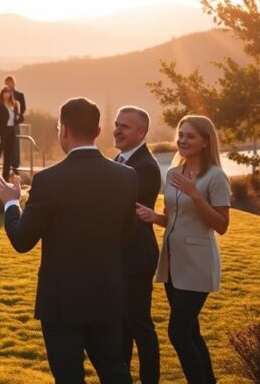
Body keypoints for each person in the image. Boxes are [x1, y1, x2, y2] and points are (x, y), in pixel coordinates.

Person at [0, 97, 137, 384]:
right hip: (107, 294)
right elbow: (127, 237)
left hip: (61, 301)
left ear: (64, 130)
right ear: (97, 131)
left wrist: (11, 203)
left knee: (68, 378)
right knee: (115, 373)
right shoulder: (126, 176)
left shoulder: (48, 180)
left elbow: (22, 240)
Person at [136, 115, 230, 384]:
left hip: (197, 264)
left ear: (205, 142)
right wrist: (155, 217)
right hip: (172, 262)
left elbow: (221, 225)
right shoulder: (173, 173)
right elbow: (174, 218)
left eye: (190, 136)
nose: (183, 140)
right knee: (191, 332)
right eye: (181, 135)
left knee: (177, 333)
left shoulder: (216, 177)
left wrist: (196, 194)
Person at [110, 107, 162, 384]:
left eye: (125, 126)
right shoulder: (119, 159)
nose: (117, 130)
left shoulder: (146, 167)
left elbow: (115, 202)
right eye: (117, 124)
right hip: (119, 257)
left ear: (141, 132)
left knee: (140, 326)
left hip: (137, 257)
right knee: (121, 327)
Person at [0, 86, 19, 179]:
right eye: (5, 92)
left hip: (11, 132)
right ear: (2, 94)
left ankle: (5, 177)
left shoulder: (14, 105)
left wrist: (18, 117)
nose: (7, 94)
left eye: (9, 92)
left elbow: (17, 118)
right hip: (1, 132)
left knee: (8, 156)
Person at [4, 75, 26, 172]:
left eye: (10, 83)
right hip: (6, 125)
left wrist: (17, 115)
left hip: (15, 124)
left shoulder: (20, 95)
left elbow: (23, 108)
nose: (8, 85)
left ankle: (16, 166)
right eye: (7, 83)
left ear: (13, 83)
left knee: (16, 144)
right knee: (7, 145)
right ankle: (7, 165)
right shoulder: (3, 96)